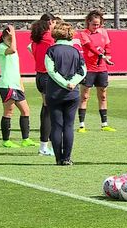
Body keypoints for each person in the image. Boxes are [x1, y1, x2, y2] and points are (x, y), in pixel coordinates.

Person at [45, 22, 87, 165]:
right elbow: (83, 71)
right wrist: (72, 82)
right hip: (72, 93)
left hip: (54, 93)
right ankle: (67, 158)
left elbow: (51, 71)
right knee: (69, 126)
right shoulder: (75, 51)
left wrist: (63, 83)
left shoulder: (51, 51)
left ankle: (58, 158)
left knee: (57, 125)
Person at [0, 25, 37, 148]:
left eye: (11, 38)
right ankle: (6, 140)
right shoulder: (1, 48)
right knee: (9, 111)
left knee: (26, 111)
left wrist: (21, 84)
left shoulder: (13, 49)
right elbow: (13, 49)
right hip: (7, 85)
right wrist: (13, 35)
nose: (10, 40)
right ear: (3, 37)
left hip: (16, 85)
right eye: (8, 38)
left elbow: (16, 69)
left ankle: (26, 139)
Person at [77, 10, 114, 133]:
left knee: (103, 95)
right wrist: (101, 55)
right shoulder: (83, 34)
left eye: (98, 24)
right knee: (85, 96)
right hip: (89, 69)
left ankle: (104, 124)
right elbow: (90, 47)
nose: (96, 27)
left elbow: (107, 45)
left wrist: (107, 56)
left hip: (102, 69)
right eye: (94, 24)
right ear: (88, 23)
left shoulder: (103, 32)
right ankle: (82, 125)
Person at [28, 13, 57, 155]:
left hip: (39, 76)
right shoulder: (50, 39)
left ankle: (47, 145)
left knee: (47, 110)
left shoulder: (35, 39)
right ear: (50, 22)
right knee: (49, 111)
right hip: (47, 77)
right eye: (54, 23)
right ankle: (44, 147)